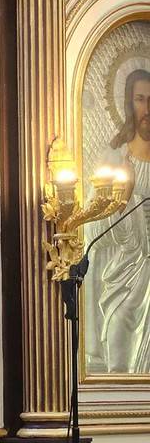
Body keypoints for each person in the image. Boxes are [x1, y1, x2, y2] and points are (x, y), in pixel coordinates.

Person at [85, 68, 150, 372]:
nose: (147, 109)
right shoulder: (113, 160)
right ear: (128, 104)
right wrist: (126, 198)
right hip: (123, 275)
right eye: (140, 99)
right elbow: (91, 227)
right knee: (120, 323)